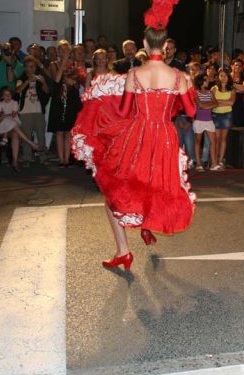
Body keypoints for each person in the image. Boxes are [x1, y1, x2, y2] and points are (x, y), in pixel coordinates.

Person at [71, 0, 196, 271]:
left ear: (144, 42)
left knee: (117, 191)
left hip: (138, 136)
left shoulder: (134, 74)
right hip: (165, 138)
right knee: (155, 186)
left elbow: (126, 110)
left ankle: (123, 251)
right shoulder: (178, 76)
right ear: (165, 46)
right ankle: (144, 227)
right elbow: (191, 110)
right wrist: (181, 91)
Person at [49, 39, 83, 168]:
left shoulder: (75, 64)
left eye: (66, 49)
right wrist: (63, 62)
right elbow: (56, 79)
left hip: (71, 99)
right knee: (59, 130)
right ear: (58, 51)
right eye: (61, 49)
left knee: (69, 130)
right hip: (59, 99)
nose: (64, 51)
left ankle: (67, 159)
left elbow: (77, 82)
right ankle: (61, 159)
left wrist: (73, 81)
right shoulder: (53, 64)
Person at [16, 57, 50, 165]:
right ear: (25, 68)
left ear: (35, 68)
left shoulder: (40, 78)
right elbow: (17, 91)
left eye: (32, 67)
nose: (30, 69)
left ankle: (43, 157)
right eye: (28, 67)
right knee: (26, 135)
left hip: (39, 111)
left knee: (41, 135)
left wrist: (44, 82)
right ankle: (27, 157)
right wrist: (27, 82)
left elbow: (47, 92)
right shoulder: (21, 79)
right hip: (25, 112)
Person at [193, 74, 218, 172]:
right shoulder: (195, 93)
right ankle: (199, 164)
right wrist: (209, 105)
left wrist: (205, 105)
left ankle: (214, 164)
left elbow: (216, 104)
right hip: (198, 120)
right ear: (201, 82)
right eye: (206, 80)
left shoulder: (210, 92)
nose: (208, 81)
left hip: (209, 120)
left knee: (214, 141)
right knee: (198, 141)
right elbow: (200, 105)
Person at [211, 68, 235, 169]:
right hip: (216, 115)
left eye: (225, 75)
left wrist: (218, 102)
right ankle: (214, 161)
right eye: (221, 75)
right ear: (218, 77)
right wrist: (224, 101)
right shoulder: (214, 88)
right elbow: (213, 103)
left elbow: (231, 102)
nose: (223, 78)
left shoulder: (232, 89)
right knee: (215, 139)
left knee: (223, 138)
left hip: (227, 114)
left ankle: (220, 161)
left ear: (228, 77)